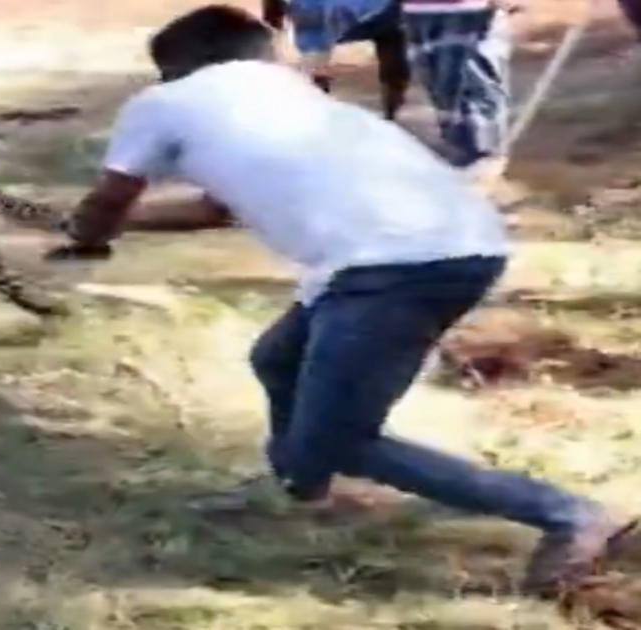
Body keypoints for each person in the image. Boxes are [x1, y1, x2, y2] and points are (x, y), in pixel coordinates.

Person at [45, 4, 636, 597]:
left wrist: (86, 236)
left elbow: (109, 199)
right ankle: (301, 487)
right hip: (450, 244)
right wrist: (103, 226)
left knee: (346, 440)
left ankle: (568, 514)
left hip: (392, 269)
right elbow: (211, 210)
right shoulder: (294, 98)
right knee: (277, 359)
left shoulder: (164, 103)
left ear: (174, 67)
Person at [401, 0, 514, 181]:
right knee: (441, 88)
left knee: (473, 87)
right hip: (416, 11)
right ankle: (461, 154)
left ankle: (480, 158)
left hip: (471, 10)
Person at [262, 0, 411, 120]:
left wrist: (273, 16)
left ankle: (317, 107)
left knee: (315, 53)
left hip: (314, 13)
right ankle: (392, 103)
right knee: (392, 34)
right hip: (376, 12)